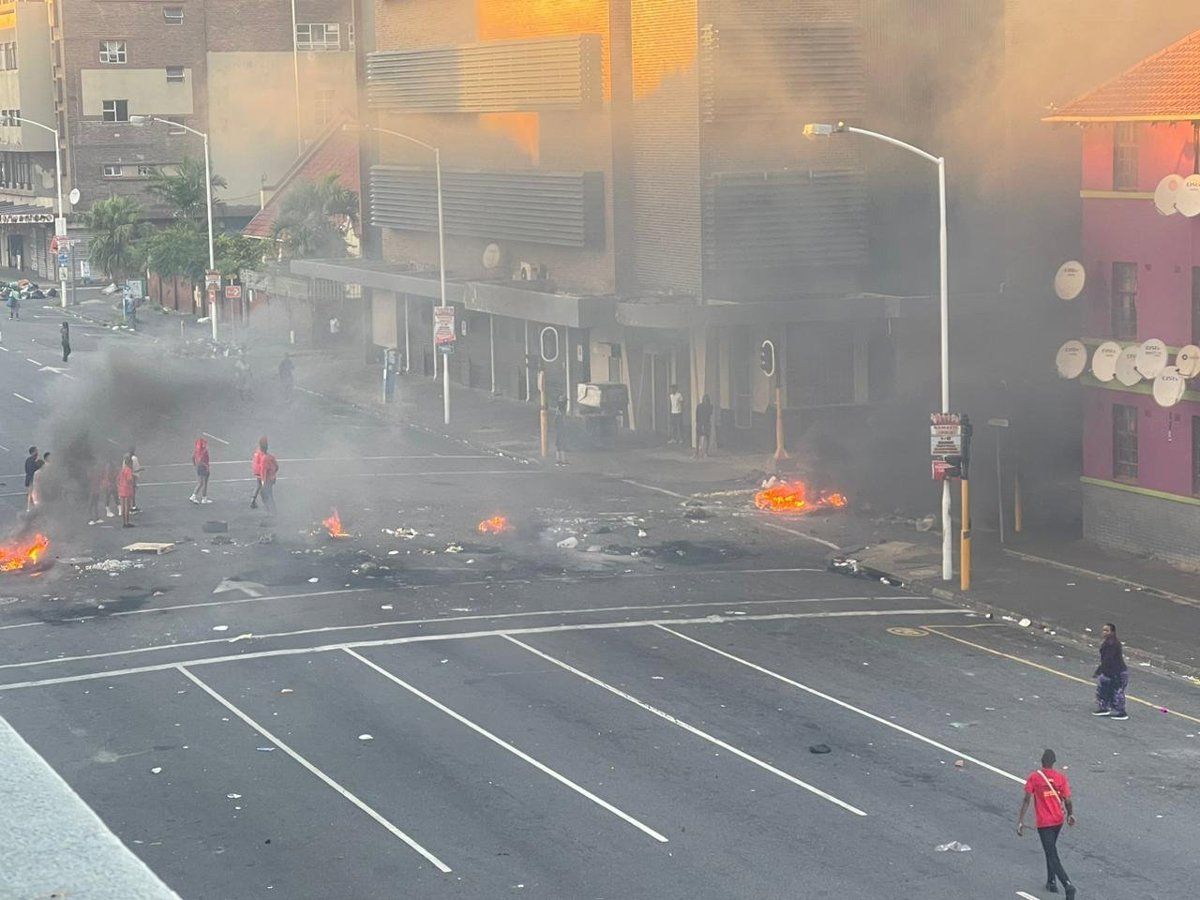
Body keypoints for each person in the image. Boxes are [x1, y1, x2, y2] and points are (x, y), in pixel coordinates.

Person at [1018, 748, 1076, 898]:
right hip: (1058, 820)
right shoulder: (1060, 778)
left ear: (1042, 762)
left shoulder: (1034, 777)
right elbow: (1068, 800)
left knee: (1051, 853)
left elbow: (1026, 799)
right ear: (1054, 763)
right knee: (1050, 849)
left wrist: (1020, 820)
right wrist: (1070, 814)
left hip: (1045, 823)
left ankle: (1067, 884)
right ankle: (1051, 881)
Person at [1093, 622, 1129, 720]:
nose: (1104, 632)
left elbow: (1108, 659)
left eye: (1107, 630)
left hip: (1117, 672)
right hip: (1108, 672)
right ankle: (1104, 708)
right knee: (1103, 690)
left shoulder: (1113, 644)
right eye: (1103, 630)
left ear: (1112, 632)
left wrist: (1099, 670)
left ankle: (1121, 712)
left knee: (1117, 692)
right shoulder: (1108, 642)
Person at [258, 438, 278, 513]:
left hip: (267, 480)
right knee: (270, 495)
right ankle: (273, 510)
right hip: (272, 479)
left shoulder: (264, 459)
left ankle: (270, 511)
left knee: (265, 496)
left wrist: (263, 483)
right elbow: (277, 466)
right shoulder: (271, 457)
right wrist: (273, 474)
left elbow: (263, 472)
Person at [190, 437, 211, 504]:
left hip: (199, 467)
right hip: (204, 467)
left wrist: (195, 465)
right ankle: (203, 498)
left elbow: (193, 457)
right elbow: (201, 459)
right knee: (205, 483)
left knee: (200, 483)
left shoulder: (196, 450)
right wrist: (206, 466)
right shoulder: (204, 451)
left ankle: (194, 496)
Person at [117, 455, 136, 527]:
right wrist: (133, 484)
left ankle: (123, 522)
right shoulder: (128, 470)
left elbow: (118, 479)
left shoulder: (122, 470)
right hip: (127, 490)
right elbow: (129, 479)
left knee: (123, 507)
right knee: (127, 507)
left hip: (121, 489)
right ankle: (127, 523)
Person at [694, 394, 713, 459]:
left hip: (706, 424)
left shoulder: (710, 407)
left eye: (706, 400)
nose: (705, 401)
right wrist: (698, 424)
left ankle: (705, 452)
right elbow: (697, 416)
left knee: (707, 438)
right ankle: (697, 452)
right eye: (704, 399)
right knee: (698, 438)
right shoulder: (699, 406)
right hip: (700, 423)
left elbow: (709, 415)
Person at [24, 446, 42, 512]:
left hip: (29, 480)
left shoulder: (28, 460)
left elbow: (26, 470)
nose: (37, 452)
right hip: (32, 480)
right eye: (36, 450)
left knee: (31, 495)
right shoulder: (33, 460)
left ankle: (31, 509)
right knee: (34, 496)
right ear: (33, 452)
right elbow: (33, 471)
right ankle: (34, 510)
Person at [250, 438, 266, 509]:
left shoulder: (257, 451)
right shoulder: (261, 453)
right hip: (260, 471)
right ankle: (266, 502)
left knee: (258, 485)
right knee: (263, 486)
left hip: (256, 470)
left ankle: (253, 500)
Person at [553, 396, 569, 467]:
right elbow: (563, 420)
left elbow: (555, 420)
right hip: (561, 429)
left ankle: (558, 460)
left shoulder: (558, 410)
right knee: (562, 444)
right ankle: (563, 460)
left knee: (558, 444)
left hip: (558, 429)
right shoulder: (562, 410)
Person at [128, 446, 143, 513]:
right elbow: (136, 469)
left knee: (129, 492)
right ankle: (133, 507)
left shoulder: (126, 458)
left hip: (127, 477)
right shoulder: (134, 458)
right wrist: (141, 469)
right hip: (132, 477)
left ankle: (130, 506)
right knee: (132, 492)